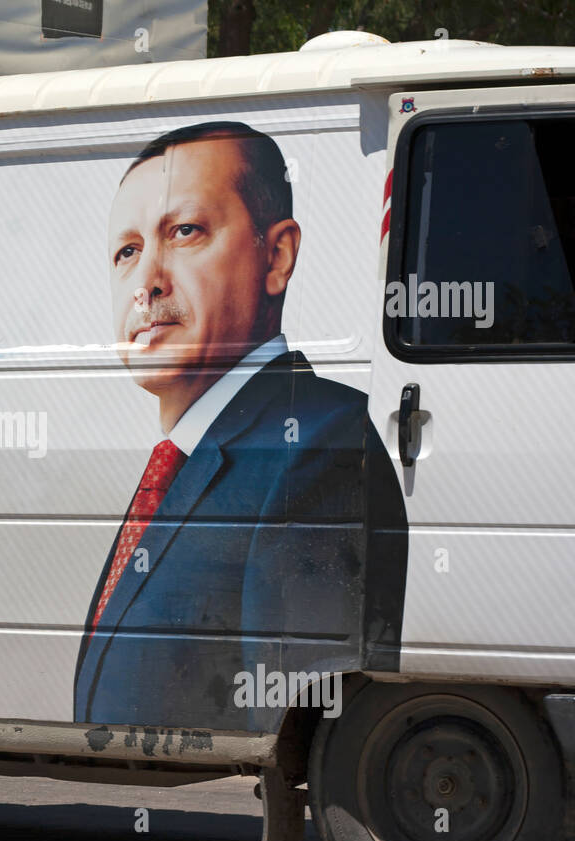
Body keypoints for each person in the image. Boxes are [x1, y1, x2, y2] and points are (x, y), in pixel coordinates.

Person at [73, 121, 408, 729]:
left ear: (276, 256)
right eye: (127, 251)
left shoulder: (317, 444)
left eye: (184, 231)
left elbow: (289, 724)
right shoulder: (182, 456)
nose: (147, 281)